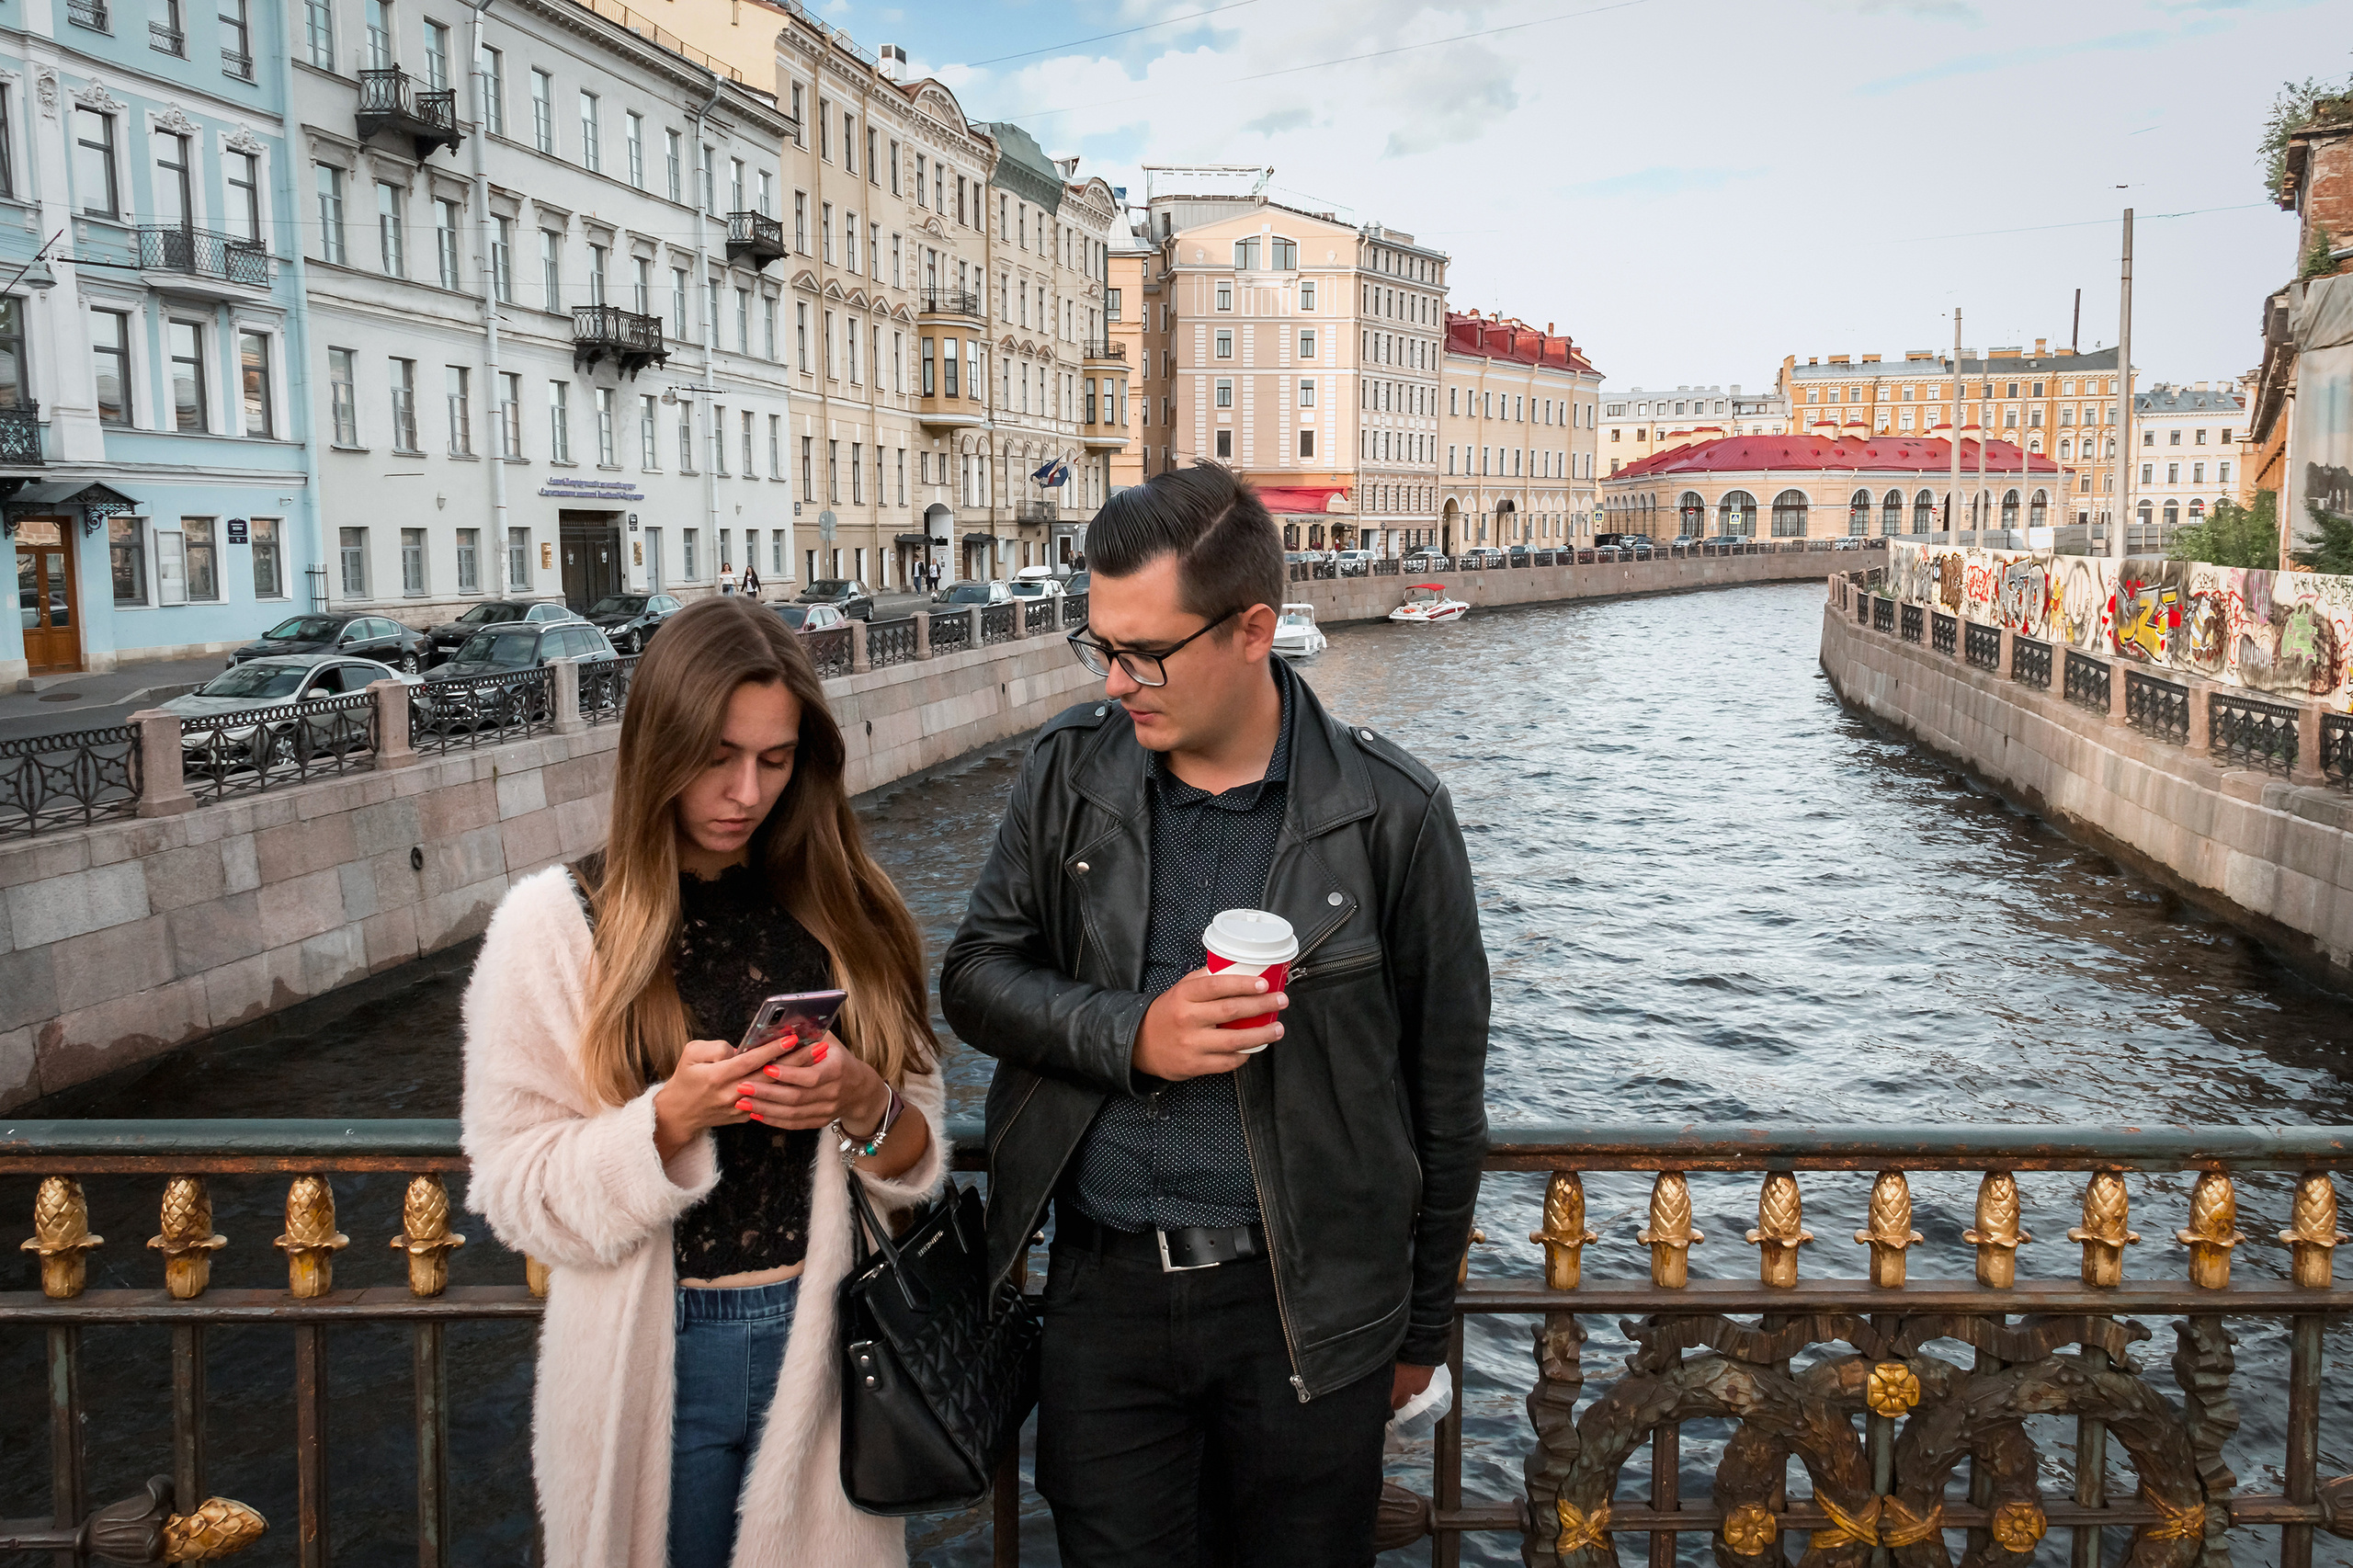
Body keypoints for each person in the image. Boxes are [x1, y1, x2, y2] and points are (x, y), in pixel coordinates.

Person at [940, 463, 1489, 1566]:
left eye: (1144, 652)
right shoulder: (1068, 773)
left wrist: (1421, 1332)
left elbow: (1445, 1096)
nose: (1116, 681)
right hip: (1101, 1298)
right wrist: (1130, 1033)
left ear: (1252, 629)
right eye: (1098, 644)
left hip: (1304, 1310)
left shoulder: (1391, 812)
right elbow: (975, 975)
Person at [461, 594, 947, 1568]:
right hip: (651, 1357)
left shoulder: (848, 909)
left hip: (828, 1346)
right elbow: (514, 1192)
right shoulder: (554, 926)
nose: (746, 790)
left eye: (775, 760)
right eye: (718, 756)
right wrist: (667, 1121)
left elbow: (918, 1155)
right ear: (657, 748)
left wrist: (859, 1100)